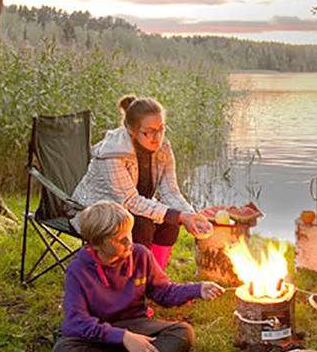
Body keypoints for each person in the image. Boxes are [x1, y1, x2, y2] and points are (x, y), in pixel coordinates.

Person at [51, 201, 225, 352]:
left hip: (136, 323)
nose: (129, 243)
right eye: (119, 239)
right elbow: (75, 322)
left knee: (183, 333)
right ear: (96, 244)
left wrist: (197, 289)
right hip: (101, 332)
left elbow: (163, 292)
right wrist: (123, 338)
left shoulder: (140, 255)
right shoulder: (78, 269)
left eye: (129, 234)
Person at [71, 94, 212, 271]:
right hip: (92, 212)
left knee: (170, 224)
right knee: (141, 225)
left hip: (127, 209)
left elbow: (170, 191)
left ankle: (154, 279)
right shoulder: (112, 154)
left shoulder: (163, 149)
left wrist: (190, 215)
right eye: (149, 132)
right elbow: (130, 201)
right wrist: (179, 216)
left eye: (161, 129)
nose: (157, 137)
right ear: (131, 129)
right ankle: (135, 282)